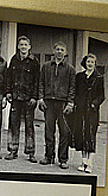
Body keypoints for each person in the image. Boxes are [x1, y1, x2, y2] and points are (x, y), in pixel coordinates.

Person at [38, 41, 76, 169]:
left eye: (62, 50)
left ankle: (63, 159)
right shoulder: (46, 66)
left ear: (65, 53)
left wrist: (70, 103)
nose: (59, 52)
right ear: (53, 51)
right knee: (49, 131)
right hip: (49, 102)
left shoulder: (70, 69)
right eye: (57, 49)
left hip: (63, 104)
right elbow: (41, 83)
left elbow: (72, 87)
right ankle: (49, 156)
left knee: (64, 132)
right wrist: (41, 98)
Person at [5, 35, 40, 162]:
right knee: (14, 125)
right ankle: (12, 150)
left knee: (29, 126)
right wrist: (8, 92)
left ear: (29, 47)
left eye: (26, 44)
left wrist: (34, 97)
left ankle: (31, 152)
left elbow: (37, 81)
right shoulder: (14, 59)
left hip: (28, 99)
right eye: (21, 44)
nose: (23, 47)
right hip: (16, 98)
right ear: (18, 46)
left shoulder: (34, 61)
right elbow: (9, 77)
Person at [72, 53, 105, 173]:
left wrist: (94, 104)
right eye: (88, 62)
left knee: (90, 135)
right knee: (81, 134)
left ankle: (90, 164)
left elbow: (101, 95)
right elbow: (76, 92)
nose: (90, 64)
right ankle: (83, 162)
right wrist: (76, 104)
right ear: (85, 63)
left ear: (95, 64)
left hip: (92, 112)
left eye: (92, 62)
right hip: (80, 111)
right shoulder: (79, 77)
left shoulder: (99, 77)